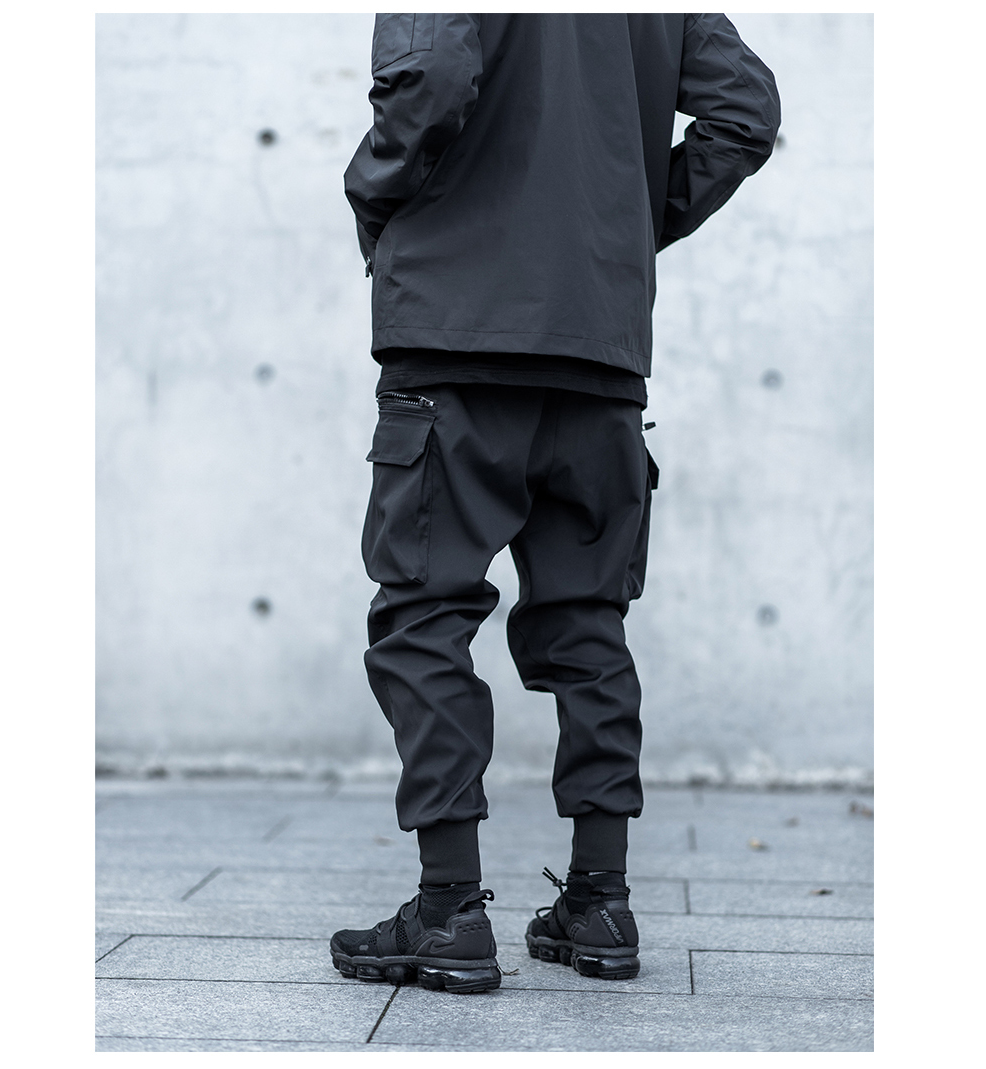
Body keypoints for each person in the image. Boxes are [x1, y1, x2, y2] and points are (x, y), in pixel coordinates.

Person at [330, 13, 779, 994]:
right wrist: (623, 222)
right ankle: (600, 902)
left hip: (456, 332)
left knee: (423, 614)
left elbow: (432, 72)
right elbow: (746, 111)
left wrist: (373, 192)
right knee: (588, 618)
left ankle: (448, 912)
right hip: (598, 346)